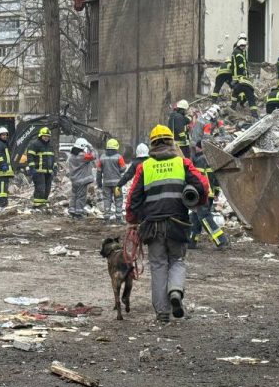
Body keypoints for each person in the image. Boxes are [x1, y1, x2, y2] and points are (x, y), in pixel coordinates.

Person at [126, 124, 209, 323]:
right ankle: (175, 292)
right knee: (177, 261)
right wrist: (197, 202)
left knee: (158, 265)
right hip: (178, 223)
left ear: (152, 144)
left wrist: (132, 221)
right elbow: (202, 186)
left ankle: (162, 312)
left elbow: (133, 199)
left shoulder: (144, 167)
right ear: (171, 142)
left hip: (152, 226)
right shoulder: (183, 163)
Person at [188, 140, 228, 250]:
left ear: (198, 148)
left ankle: (221, 240)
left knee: (204, 217)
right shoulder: (210, 160)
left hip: (202, 194)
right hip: (209, 193)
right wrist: (216, 192)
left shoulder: (200, 160)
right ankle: (191, 241)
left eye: (196, 147)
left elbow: (197, 179)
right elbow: (215, 179)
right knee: (195, 217)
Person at [97, 138, 126, 223]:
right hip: (117, 184)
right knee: (118, 199)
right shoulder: (119, 157)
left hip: (106, 184)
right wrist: (117, 170)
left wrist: (99, 183)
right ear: (116, 147)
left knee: (107, 199)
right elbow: (123, 168)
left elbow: (99, 172)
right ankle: (118, 219)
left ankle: (107, 219)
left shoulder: (102, 157)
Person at [26, 126, 57, 207]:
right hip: (38, 172)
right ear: (40, 136)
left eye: (48, 136)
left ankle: (43, 204)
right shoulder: (35, 144)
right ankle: (37, 205)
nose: (46, 138)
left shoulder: (50, 146)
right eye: (45, 136)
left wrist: (55, 167)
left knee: (47, 189)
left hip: (48, 172)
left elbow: (53, 158)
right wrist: (32, 168)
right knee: (40, 189)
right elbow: (30, 157)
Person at [230, 35, 259, 117]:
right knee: (251, 98)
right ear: (239, 45)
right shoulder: (238, 53)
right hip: (242, 78)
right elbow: (240, 65)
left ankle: (233, 107)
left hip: (240, 81)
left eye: (244, 46)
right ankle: (255, 114)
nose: (244, 47)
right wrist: (244, 70)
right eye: (242, 46)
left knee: (235, 93)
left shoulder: (238, 52)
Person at [67, 137, 96, 218]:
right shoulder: (83, 156)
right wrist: (90, 147)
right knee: (81, 196)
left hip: (74, 180)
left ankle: (72, 210)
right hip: (82, 180)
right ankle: (78, 213)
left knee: (74, 195)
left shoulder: (72, 156)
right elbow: (93, 156)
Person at [0, 126, 14, 206]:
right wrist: (3, 164)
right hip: (2, 168)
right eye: (3, 135)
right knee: (3, 185)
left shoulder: (3, 143)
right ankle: (3, 202)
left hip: (2, 168)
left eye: (6, 135)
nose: (5, 136)